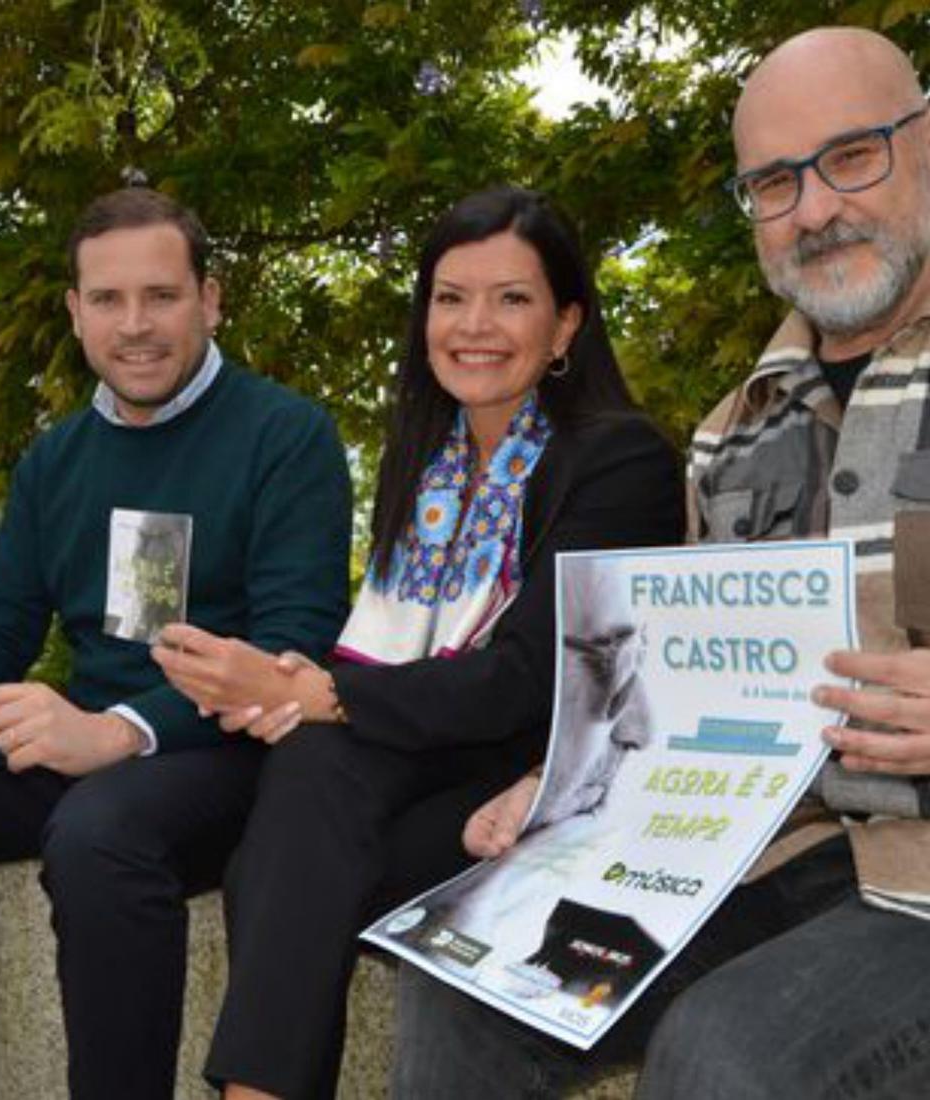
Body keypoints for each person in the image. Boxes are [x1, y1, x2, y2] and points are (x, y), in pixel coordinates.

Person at [392, 27, 930, 1100]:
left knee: (726, 1053)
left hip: (917, 884)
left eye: (853, 155)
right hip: (769, 847)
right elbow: (681, 686)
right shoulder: (733, 430)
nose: (815, 207)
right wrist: (564, 777)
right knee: (462, 976)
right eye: (775, 182)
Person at [0, 189, 352, 1100]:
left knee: (98, 833)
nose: (136, 326)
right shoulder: (58, 457)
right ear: (77, 313)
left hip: (229, 758)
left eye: (161, 296)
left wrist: (122, 729)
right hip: (89, 750)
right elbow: (0, 623)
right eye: (109, 300)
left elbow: (292, 649)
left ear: (211, 299)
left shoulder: (288, 435)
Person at [153, 185, 685, 1100]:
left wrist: (321, 694)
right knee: (302, 805)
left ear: (565, 327)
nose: (475, 324)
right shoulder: (426, 466)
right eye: (450, 297)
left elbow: (530, 682)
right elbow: (376, 670)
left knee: (276, 861)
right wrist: (298, 688)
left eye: (512, 299)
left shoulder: (621, 461)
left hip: (541, 786)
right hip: (428, 774)